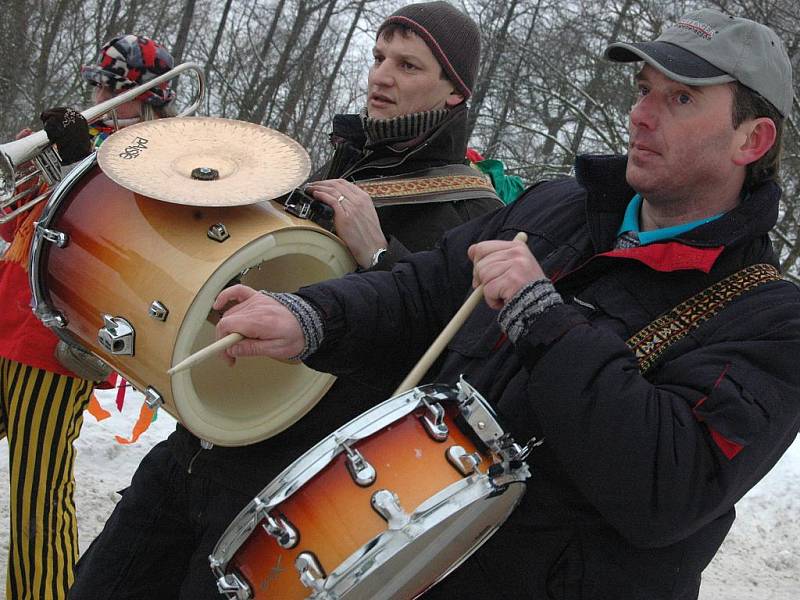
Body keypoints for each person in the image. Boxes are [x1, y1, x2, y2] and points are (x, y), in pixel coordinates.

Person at [210, 9, 800, 599]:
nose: (640, 115)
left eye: (681, 101)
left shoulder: (771, 319)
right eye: (644, 91)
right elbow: (420, 290)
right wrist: (309, 316)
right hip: (415, 570)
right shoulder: (557, 209)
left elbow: (669, 489)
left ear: (752, 139)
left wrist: (544, 319)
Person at [68, 4, 502, 599]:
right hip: (198, 446)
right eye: (378, 58)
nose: (380, 76)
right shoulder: (337, 166)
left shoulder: (472, 214)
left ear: (455, 92)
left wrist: (379, 254)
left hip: (278, 489)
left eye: (407, 65)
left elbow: (449, 362)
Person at [0, 34, 175, 600]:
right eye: (95, 83)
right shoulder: (80, 141)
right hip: (5, 319)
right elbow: (10, 226)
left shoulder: (156, 163)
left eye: (110, 88)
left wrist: (77, 163)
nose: (96, 95)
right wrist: (44, 158)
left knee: (37, 499)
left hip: (55, 344)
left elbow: (119, 240)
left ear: (146, 100)